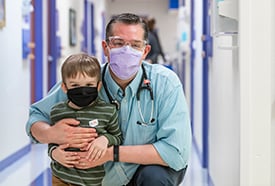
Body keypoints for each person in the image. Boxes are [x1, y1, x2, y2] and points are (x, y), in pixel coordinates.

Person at [26, 13, 192, 186]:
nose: (127, 50)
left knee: (154, 177)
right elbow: (35, 118)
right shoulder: (85, 82)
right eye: (119, 43)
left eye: (135, 45)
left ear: (145, 51)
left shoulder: (165, 83)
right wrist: (51, 134)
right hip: (96, 176)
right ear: (106, 48)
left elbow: (176, 153)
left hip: (143, 171)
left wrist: (111, 153)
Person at [48, 53, 122, 185]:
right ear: (64, 87)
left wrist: (104, 139)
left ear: (98, 86)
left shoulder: (108, 111)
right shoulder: (57, 112)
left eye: (89, 84)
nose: (83, 91)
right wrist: (54, 153)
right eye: (75, 85)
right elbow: (52, 141)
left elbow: (117, 137)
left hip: (93, 181)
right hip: (61, 178)